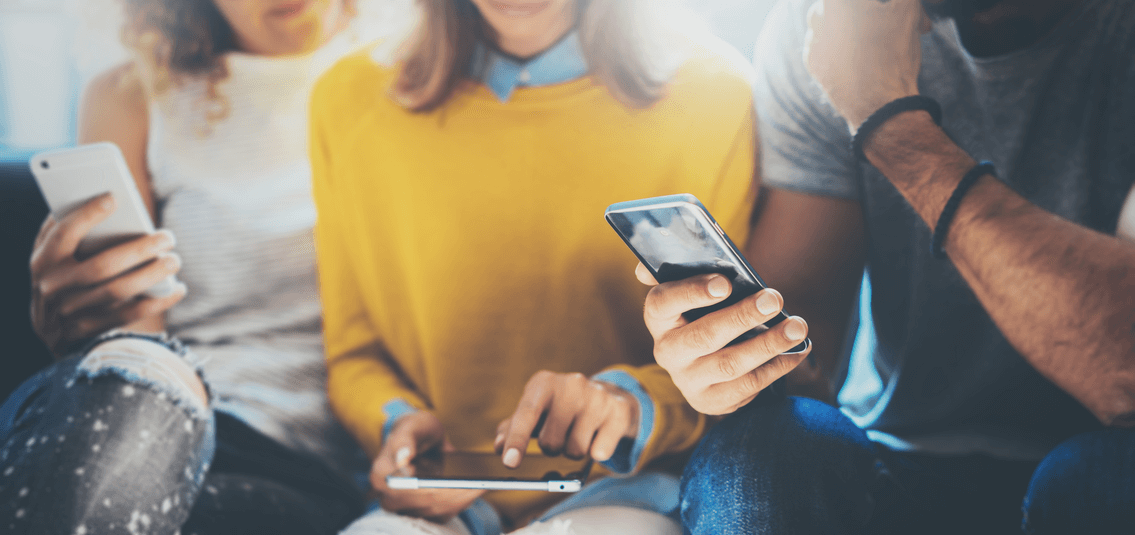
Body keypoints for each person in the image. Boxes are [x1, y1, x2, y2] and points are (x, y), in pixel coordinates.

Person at [635, 0, 1135, 533]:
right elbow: (808, 333)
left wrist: (889, 122)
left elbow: (1124, 373)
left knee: (1100, 476)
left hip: (1102, 453)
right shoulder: (825, 24)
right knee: (760, 454)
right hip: (903, 455)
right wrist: (735, 362)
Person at [306, 0, 763, 533]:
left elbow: (736, 355)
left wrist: (627, 404)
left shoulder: (716, 95)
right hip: (434, 505)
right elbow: (355, 353)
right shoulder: (347, 100)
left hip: (624, 493)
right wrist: (396, 423)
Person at [0, 1, 408, 533]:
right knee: (135, 388)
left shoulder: (412, 76)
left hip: (299, 468)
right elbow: (134, 336)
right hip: (150, 411)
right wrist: (86, 330)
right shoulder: (132, 96)